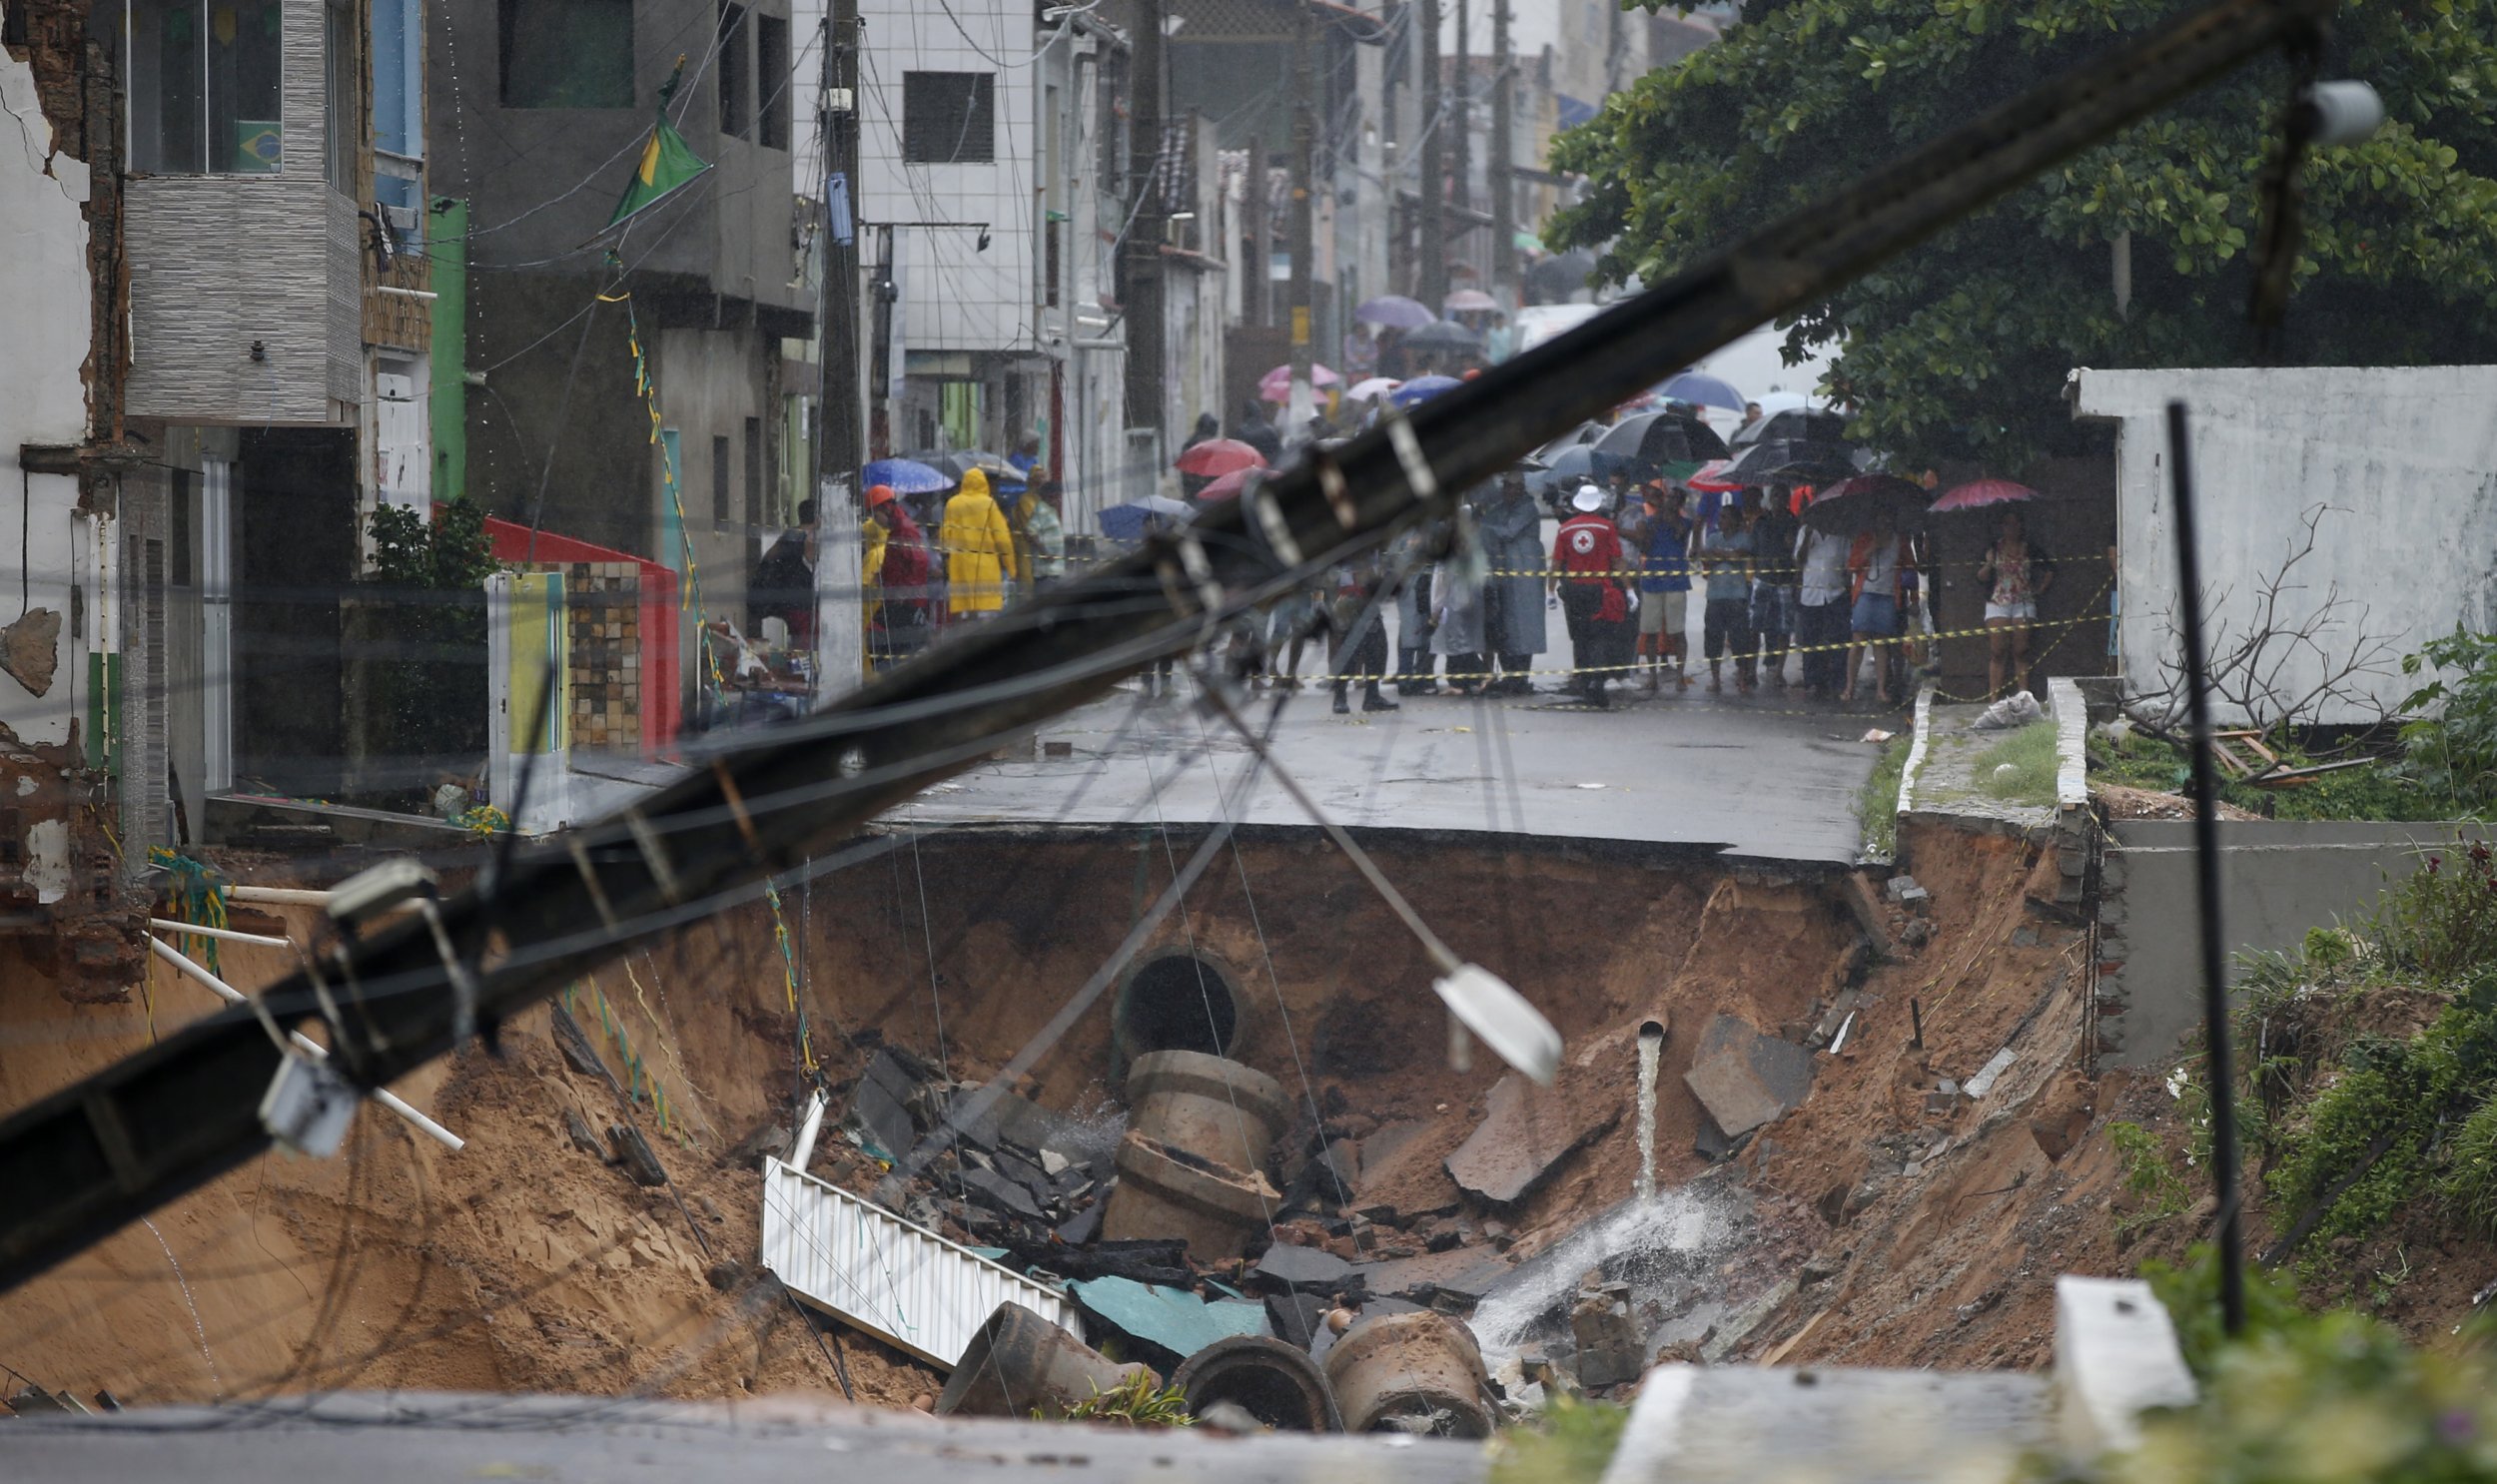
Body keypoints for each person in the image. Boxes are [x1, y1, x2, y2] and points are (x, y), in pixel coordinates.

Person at [1550, 484, 1630, 708]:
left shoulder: (1565, 529)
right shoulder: (1606, 527)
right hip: (1599, 589)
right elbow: (1617, 560)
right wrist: (1629, 589)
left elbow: (1556, 563)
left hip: (1574, 590)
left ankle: (1585, 683)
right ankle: (1597, 681)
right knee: (1600, 637)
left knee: (1580, 637)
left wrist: (1550, 591)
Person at [1476, 474, 1547, 694]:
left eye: (1513, 487)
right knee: (1504, 625)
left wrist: (1483, 525)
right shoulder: (1500, 508)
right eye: (1506, 487)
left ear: (1521, 488)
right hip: (1504, 576)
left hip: (1525, 577)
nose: (1508, 491)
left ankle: (1521, 676)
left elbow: (1508, 531)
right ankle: (1510, 675)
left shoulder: (1527, 509)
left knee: (1525, 626)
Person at [1977, 508, 2055, 698]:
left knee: (2021, 650)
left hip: (2023, 602)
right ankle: (1994, 695)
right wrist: (1989, 563)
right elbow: (1980, 577)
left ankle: (2023, 694)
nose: (2012, 528)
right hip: (1998, 602)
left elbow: (2050, 568)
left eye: (2015, 524)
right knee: (1997, 651)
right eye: (2007, 524)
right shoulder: (1993, 549)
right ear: (2002, 527)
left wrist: (2040, 589)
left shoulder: (2030, 548)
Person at [1842, 510, 1916, 706]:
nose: (1884, 523)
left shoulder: (1899, 541)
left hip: (1888, 595)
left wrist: (1913, 598)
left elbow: (1910, 566)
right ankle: (1849, 686)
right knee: (1858, 640)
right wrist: (1872, 547)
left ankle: (1881, 689)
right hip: (1865, 593)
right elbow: (1852, 565)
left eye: (1887, 519)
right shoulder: (1865, 537)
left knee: (1881, 643)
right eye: (1880, 519)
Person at [1629, 483, 1694, 692]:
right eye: (1669, 497)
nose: (1670, 501)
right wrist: (1647, 528)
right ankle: (1653, 676)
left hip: (1675, 579)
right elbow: (1645, 547)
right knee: (1649, 630)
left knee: (1677, 630)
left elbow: (1680, 536)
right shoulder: (1651, 521)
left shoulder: (1684, 523)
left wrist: (1666, 516)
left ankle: (1679, 675)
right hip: (1653, 579)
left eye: (1675, 498)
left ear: (1681, 503)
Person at [865, 485, 932, 667]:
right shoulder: (897, 530)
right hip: (896, 599)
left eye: (875, 514)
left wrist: (904, 590)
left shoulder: (904, 530)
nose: (875, 521)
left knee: (884, 643)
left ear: (886, 508)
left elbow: (920, 561)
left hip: (904, 603)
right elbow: (900, 563)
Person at [941, 467, 1015, 620]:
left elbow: (945, 537)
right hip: (986, 565)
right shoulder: (988, 504)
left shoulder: (953, 503)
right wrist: (1011, 567)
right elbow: (1002, 537)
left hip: (960, 565)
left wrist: (946, 560)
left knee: (963, 608)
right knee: (985, 609)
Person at [1699, 496, 1757, 692]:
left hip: (1737, 595)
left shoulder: (1744, 538)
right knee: (1713, 638)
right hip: (1715, 595)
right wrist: (1726, 554)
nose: (1720, 520)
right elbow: (1706, 559)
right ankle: (1715, 679)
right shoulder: (1713, 537)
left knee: (1740, 639)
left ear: (1734, 520)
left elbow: (1738, 555)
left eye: (1724, 517)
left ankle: (1742, 678)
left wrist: (1718, 554)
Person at [1329, 553, 1398, 713]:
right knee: (1349, 652)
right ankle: (1340, 697)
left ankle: (1372, 696)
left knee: (1377, 649)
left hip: (1369, 603)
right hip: (1348, 603)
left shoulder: (1375, 552)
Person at [1794, 512, 1852, 698]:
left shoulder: (1840, 535)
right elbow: (1799, 560)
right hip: (1811, 594)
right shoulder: (1805, 532)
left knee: (1838, 639)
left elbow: (1847, 564)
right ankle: (1813, 680)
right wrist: (1808, 536)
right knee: (1811, 639)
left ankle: (1838, 681)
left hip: (1835, 593)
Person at [1748, 484, 1801, 687]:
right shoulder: (1761, 522)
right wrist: (1752, 577)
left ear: (1788, 499)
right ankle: (1751, 670)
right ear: (1770, 499)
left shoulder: (1793, 523)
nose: (1779, 498)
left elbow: (1798, 554)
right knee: (1755, 627)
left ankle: (1778, 670)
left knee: (1783, 629)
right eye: (1776, 495)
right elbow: (1753, 551)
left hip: (1785, 581)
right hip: (1763, 579)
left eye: (1783, 495)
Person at [748, 497, 818, 647]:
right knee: (807, 642)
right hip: (797, 603)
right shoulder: (806, 538)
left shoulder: (791, 534)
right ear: (818, 518)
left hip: (780, 599)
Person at [1391, 524, 1440, 695]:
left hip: (1426, 590)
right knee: (1409, 637)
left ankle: (1422, 676)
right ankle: (1405, 679)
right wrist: (1412, 549)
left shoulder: (1430, 528)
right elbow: (1394, 558)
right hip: (1409, 591)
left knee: (1426, 637)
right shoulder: (1403, 534)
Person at [1024, 477, 1068, 591]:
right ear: (1049, 496)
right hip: (1046, 571)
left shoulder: (1051, 510)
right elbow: (1029, 532)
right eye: (1057, 496)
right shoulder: (1041, 510)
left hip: (1053, 570)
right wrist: (1045, 553)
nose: (1059, 500)